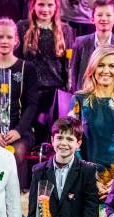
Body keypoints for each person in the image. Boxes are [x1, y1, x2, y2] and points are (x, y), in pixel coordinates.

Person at [0, 18, 38, 190]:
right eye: (0, 37)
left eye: (9, 37)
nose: (4, 41)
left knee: (16, 152)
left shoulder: (27, 68)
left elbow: (32, 105)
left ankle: (19, 197)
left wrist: (18, 130)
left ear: (16, 40)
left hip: (20, 131)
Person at [68, 44, 114, 170]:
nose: (106, 71)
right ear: (93, 68)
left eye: (111, 66)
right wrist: (88, 174)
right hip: (86, 176)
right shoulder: (79, 100)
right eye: (101, 65)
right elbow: (70, 142)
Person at [17, 0, 75, 143]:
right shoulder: (23, 27)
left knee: (52, 137)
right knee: (30, 137)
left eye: (50, 5)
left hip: (55, 93)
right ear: (33, 6)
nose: (45, 9)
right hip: (29, 91)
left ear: (56, 7)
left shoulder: (65, 30)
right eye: (41, 4)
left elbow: (68, 65)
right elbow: (17, 61)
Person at [69, 0, 114, 93]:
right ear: (92, 19)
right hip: (85, 98)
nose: (104, 19)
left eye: (108, 15)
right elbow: (74, 75)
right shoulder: (80, 42)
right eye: (100, 15)